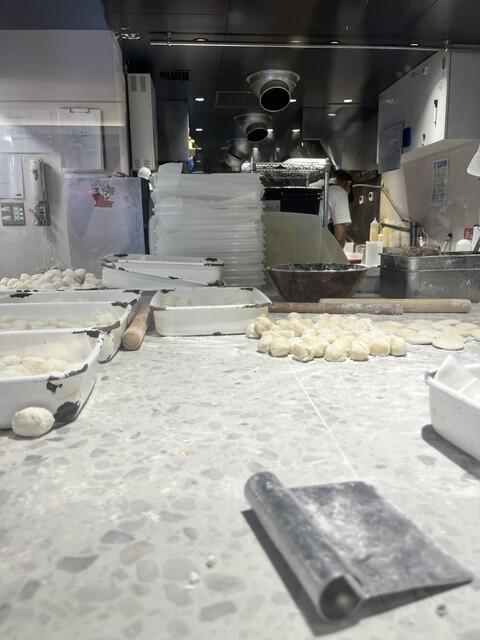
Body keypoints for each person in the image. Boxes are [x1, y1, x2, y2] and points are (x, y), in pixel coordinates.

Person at [309, 169, 353, 248]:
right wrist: (338, 254)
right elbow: (339, 237)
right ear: (348, 184)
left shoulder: (311, 185)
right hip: (316, 244)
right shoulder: (340, 192)